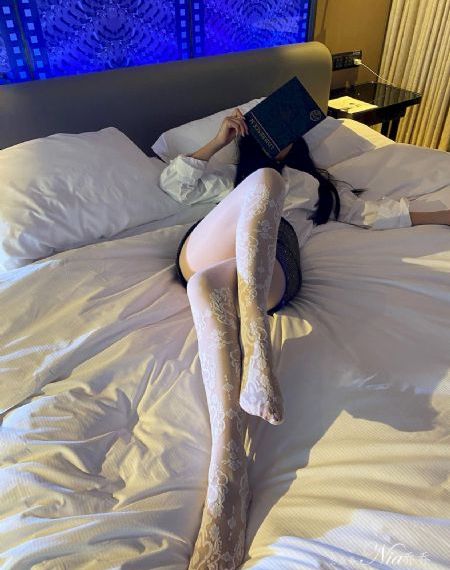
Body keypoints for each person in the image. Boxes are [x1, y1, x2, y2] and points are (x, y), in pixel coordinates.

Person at [159, 108, 450, 570]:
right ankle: (257, 341)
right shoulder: (230, 175)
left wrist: (445, 214)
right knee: (265, 184)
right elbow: (174, 184)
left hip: (275, 259)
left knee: (208, 286)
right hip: (209, 242)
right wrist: (218, 142)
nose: (282, 136)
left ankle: (228, 468)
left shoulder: (316, 187)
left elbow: (380, 214)